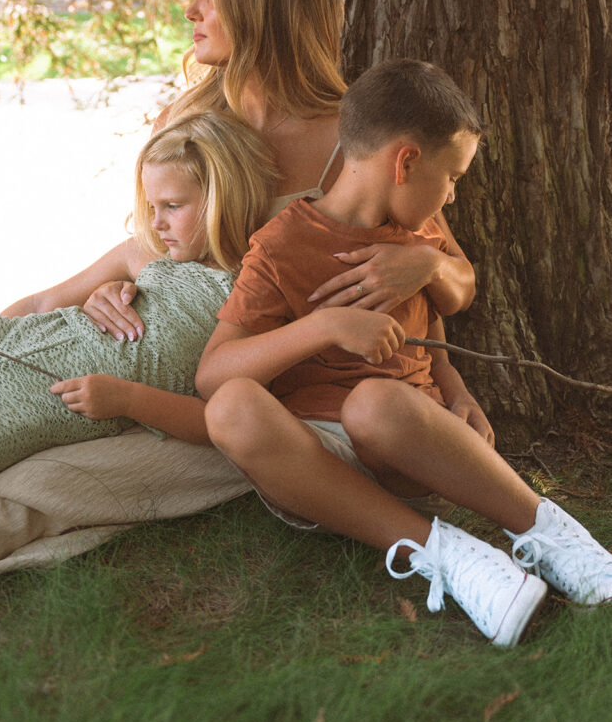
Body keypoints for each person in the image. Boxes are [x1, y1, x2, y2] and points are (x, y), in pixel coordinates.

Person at [0, 0, 474, 606]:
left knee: (37, 480)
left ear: (264, 5)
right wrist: (110, 285)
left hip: (237, 401)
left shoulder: (351, 139)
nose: (190, 9)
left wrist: (425, 271)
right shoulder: (187, 117)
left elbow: (449, 282)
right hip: (117, 342)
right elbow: (153, 245)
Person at [198, 59, 612, 648]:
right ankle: (445, 555)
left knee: (372, 405)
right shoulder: (282, 247)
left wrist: (431, 268)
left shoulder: (422, 228)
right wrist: (323, 327)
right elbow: (213, 376)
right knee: (232, 407)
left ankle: (550, 534)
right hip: (313, 462)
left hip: (404, 438)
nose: (451, 191)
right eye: (453, 177)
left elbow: (459, 292)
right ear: (406, 161)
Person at [0, 112, 276, 523]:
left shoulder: (248, 296)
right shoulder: (143, 253)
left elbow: (215, 416)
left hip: (29, 405)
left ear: (224, 196)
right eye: (152, 207)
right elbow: (42, 304)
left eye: (173, 207)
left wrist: (128, 400)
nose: (155, 223)